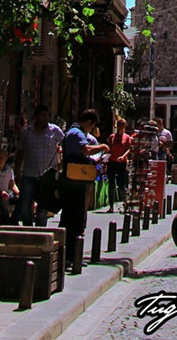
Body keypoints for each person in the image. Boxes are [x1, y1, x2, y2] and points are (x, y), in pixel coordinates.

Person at [60, 109, 107, 266]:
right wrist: (102, 147)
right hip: (73, 182)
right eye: (91, 126)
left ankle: (72, 256)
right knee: (73, 219)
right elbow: (86, 150)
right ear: (88, 123)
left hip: (78, 181)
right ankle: (68, 256)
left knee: (76, 219)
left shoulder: (76, 132)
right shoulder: (76, 133)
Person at [15, 105, 64, 227]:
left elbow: (65, 145)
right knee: (25, 204)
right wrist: (17, 169)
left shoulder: (55, 131)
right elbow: (21, 151)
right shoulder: (26, 132)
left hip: (47, 177)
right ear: (35, 117)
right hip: (29, 174)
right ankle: (28, 228)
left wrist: (61, 164)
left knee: (43, 207)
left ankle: (40, 231)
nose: (46, 117)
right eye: (43, 115)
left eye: (47, 115)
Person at [106, 116, 132, 213]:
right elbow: (109, 148)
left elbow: (129, 149)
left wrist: (123, 156)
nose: (120, 127)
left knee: (121, 185)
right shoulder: (112, 137)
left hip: (122, 163)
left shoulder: (127, 137)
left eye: (122, 125)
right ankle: (111, 206)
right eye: (119, 125)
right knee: (111, 185)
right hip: (112, 162)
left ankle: (125, 204)